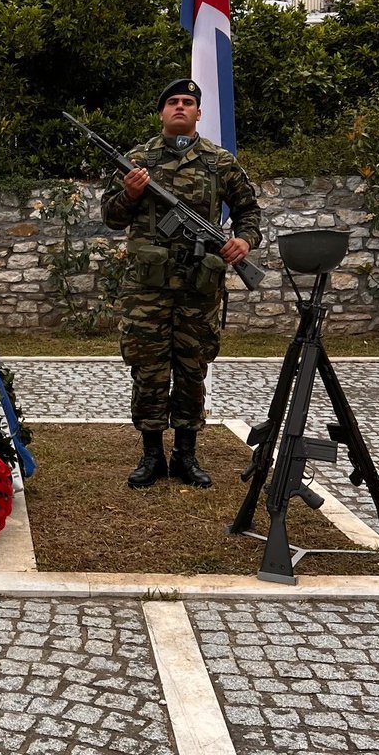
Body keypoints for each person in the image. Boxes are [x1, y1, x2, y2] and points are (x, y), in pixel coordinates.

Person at [100, 79, 261, 490]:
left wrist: (243, 241)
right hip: (147, 289)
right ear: (161, 113)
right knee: (148, 369)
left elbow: (248, 210)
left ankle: (186, 454)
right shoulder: (138, 161)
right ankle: (151, 453)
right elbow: (112, 217)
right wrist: (130, 195)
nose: (180, 107)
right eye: (172, 102)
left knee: (192, 369)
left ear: (199, 113)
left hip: (199, 287)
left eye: (188, 102)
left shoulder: (219, 161)